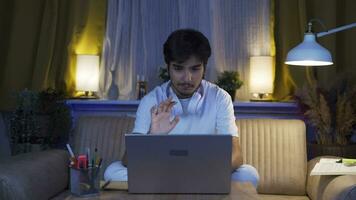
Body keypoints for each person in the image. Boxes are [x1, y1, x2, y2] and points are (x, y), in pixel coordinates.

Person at [104, 29, 259, 188]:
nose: (187, 78)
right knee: (112, 171)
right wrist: (152, 136)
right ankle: (186, 185)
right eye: (178, 68)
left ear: (204, 67)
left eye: (194, 69)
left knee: (249, 174)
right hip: (162, 172)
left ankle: (174, 185)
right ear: (168, 67)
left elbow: (237, 155)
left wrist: (201, 171)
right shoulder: (151, 100)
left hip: (204, 172)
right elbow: (128, 160)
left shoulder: (220, 98)